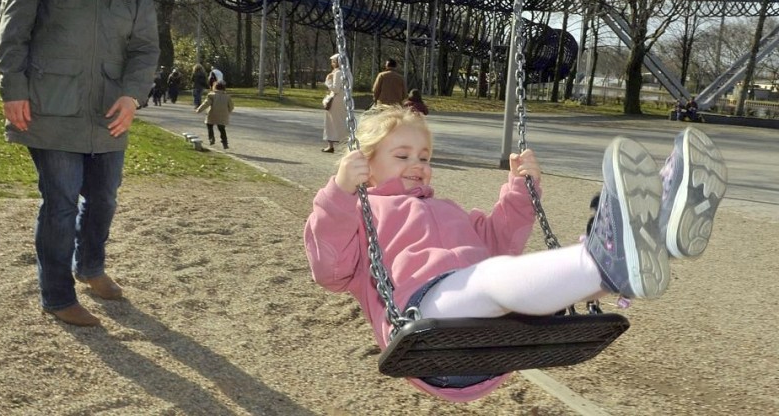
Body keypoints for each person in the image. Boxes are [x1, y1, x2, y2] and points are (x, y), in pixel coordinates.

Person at [305, 106, 726, 401]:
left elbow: (501, 239)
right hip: (428, 331)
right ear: (364, 164)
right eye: (402, 155)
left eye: (425, 156)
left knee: (506, 273)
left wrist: (520, 191)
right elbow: (329, 268)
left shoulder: (450, 210)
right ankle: (605, 255)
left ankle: (658, 232)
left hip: (497, 341)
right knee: (492, 278)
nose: (418, 163)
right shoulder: (358, 213)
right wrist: (339, 193)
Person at [0, 0, 159, 327]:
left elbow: (146, 45)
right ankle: (57, 295)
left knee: (104, 197)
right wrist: (14, 86)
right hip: (50, 102)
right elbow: (14, 23)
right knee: (62, 200)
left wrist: (132, 96)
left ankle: (90, 268)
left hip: (109, 109)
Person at [322, 54, 349, 153]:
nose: (332, 64)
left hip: (336, 100)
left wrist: (328, 80)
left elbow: (335, 88)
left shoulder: (337, 73)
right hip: (345, 99)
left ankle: (330, 145)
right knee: (342, 121)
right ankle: (345, 144)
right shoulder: (348, 73)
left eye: (333, 61)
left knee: (331, 122)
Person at [196, 81, 234, 149]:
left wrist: (199, 110)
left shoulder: (211, 95)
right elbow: (231, 106)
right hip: (223, 115)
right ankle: (225, 143)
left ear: (215, 87)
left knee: (209, 125)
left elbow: (206, 104)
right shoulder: (227, 97)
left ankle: (211, 138)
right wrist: (228, 111)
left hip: (212, 113)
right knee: (222, 129)